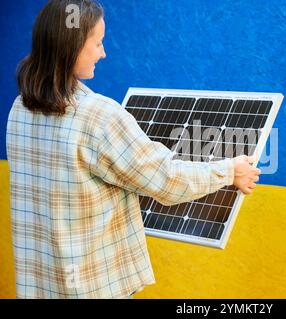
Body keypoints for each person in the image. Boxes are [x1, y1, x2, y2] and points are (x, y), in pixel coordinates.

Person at [6, 0, 260, 299]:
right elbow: (166, 180)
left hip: (41, 284)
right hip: (94, 288)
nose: (103, 53)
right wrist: (229, 171)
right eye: (98, 43)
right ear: (70, 46)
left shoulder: (20, 109)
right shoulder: (98, 116)